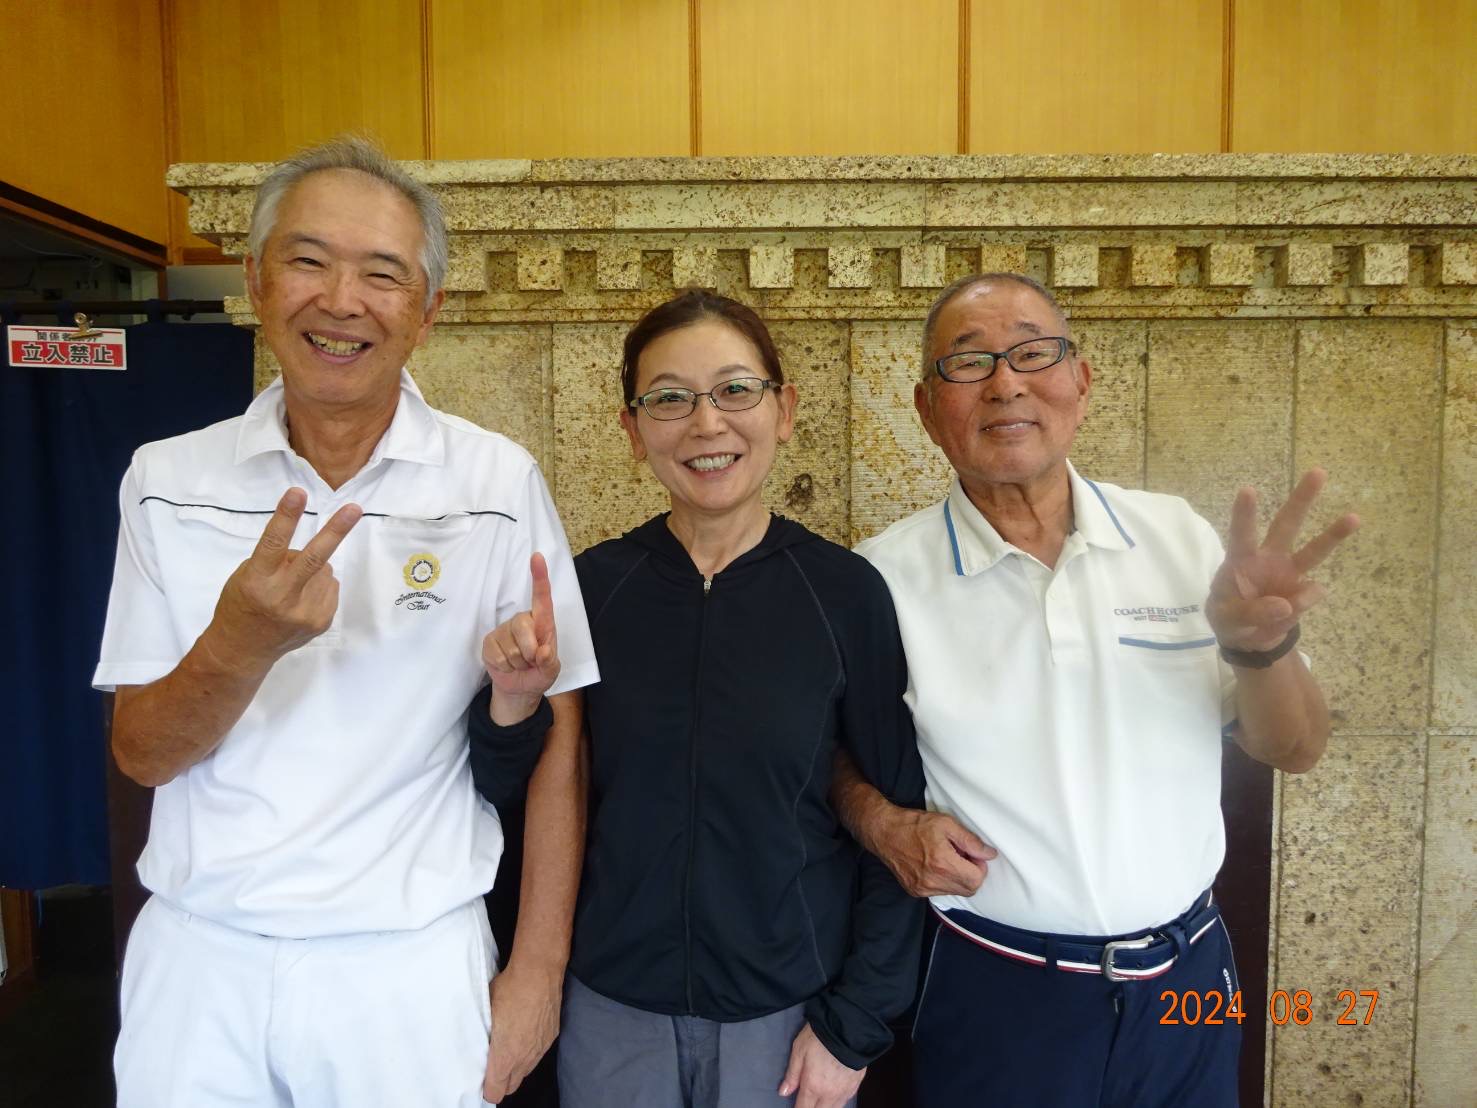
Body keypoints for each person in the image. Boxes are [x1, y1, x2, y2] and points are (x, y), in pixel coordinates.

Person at [93, 137, 598, 1107]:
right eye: (308, 260)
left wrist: (537, 973)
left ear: (427, 309)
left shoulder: (494, 483)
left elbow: (560, 734)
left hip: (406, 964)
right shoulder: (167, 480)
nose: (340, 300)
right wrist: (239, 644)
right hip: (201, 960)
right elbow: (142, 754)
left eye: (381, 273)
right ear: (255, 279)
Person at [835, 272, 1360, 1107]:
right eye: (968, 362)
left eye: (1032, 353)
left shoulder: (1175, 536)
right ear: (928, 409)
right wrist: (880, 821)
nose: (1005, 383)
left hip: (1189, 982)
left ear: (1080, 382)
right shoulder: (878, 579)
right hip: (997, 991)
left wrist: (1261, 650)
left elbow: (1294, 750)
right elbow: (818, 749)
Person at [471, 290, 924, 1108]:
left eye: (735, 390)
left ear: (784, 410)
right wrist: (511, 704)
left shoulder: (844, 594)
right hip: (612, 1011)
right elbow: (512, 793)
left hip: (788, 1017)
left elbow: (898, 815)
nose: (706, 424)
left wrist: (855, 1024)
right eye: (670, 399)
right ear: (632, 428)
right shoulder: (593, 590)